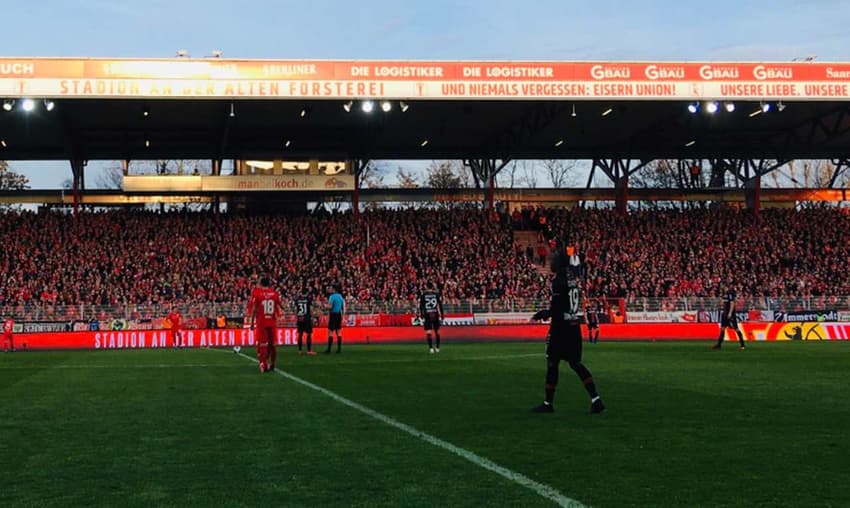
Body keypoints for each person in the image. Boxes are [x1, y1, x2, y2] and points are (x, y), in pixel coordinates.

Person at [530, 241, 605, 414]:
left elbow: (556, 308)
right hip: (573, 325)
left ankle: (548, 404)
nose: (551, 263)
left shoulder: (558, 281)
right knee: (576, 363)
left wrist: (543, 314)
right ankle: (596, 399)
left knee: (552, 363)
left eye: (554, 260)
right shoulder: (573, 280)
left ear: (560, 263)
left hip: (561, 327)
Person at [248, 276, 283, 372]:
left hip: (261, 323)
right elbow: (282, 306)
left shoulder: (258, 294)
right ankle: (272, 364)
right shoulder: (275, 294)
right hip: (272, 322)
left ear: (261, 284)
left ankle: (263, 365)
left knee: (262, 344)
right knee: (272, 345)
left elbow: (254, 309)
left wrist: (251, 322)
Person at [419, 281, 445, 354]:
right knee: (437, 331)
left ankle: (431, 348)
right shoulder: (436, 294)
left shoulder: (423, 295)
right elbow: (440, 305)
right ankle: (437, 348)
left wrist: (422, 315)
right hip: (435, 314)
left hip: (427, 315)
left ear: (427, 287)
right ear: (432, 287)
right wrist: (442, 315)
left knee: (429, 332)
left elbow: (421, 306)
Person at [294, 286, 317, 355]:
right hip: (307, 318)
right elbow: (310, 309)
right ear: (307, 293)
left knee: (300, 334)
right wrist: (312, 317)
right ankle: (309, 350)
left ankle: (300, 350)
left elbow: (296, 310)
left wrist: (297, 317)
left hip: (300, 318)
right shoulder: (308, 299)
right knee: (308, 334)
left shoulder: (297, 299)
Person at [325, 283, 345, 354]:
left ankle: (329, 349)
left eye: (331, 288)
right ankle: (339, 349)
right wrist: (343, 315)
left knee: (330, 332)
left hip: (333, 314)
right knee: (338, 332)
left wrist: (325, 306)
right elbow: (343, 307)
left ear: (333, 289)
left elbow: (330, 307)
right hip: (339, 314)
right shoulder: (340, 296)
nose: (330, 289)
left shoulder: (332, 297)